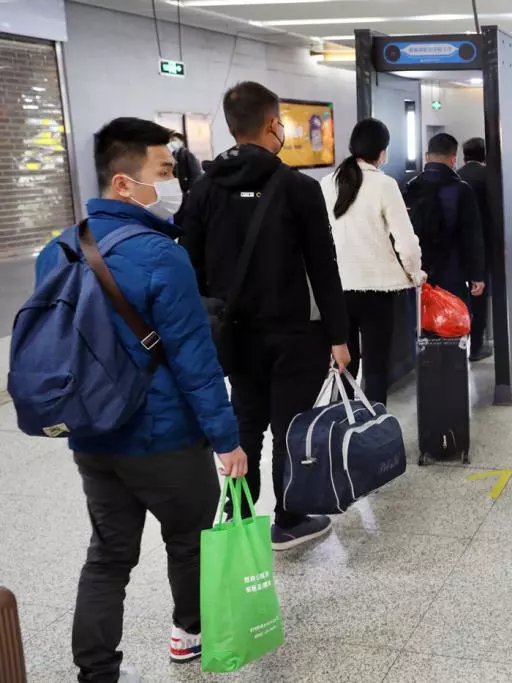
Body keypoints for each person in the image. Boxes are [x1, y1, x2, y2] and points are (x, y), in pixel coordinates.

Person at [33, 117, 247, 681]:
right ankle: (189, 636)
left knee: (108, 555)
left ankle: (96, 671)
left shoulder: (57, 249)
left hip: (93, 435)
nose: (175, 181)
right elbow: (194, 360)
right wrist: (227, 439)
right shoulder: (161, 255)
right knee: (190, 541)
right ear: (124, 183)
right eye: (165, 170)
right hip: (164, 437)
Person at [181, 81, 350, 551]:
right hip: (294, 333)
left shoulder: (204, 189)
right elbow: (323, 267)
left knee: (245, 422)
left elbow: (189, 267)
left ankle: (238, 518)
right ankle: (289, 520)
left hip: (232, 333)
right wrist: (339, 335)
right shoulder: (299, 188)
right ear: (274, 124)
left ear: (231, 126)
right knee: (288, 427)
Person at [320, 118, 425, 403]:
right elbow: (406, 242)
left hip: (336, 290)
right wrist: (415, 272)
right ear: (382, 151)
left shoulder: (326, 183)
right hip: (377, 290)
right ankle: (374, 423)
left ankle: (343, 422)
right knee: (376, 367)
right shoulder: (384, 184)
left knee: (344, 365)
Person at [404, 132, 485, 303]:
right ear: (453, 159)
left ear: (426, 156)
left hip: (417, 271)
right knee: (453, 315)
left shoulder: (411, 187)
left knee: (421, 314)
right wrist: (477, 274)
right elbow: (472, 235)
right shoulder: (462, 190)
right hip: (452, 271)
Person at [457, 137, 494, 361]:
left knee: (459, 296)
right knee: (480, 295)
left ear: (464, 155)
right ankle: (477, 346)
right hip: (483, 245)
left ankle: (456, 347)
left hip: (457, 247)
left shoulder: (456, 176)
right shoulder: (489, 176)